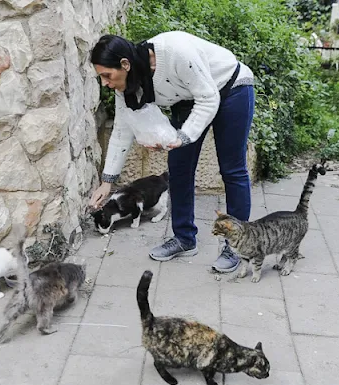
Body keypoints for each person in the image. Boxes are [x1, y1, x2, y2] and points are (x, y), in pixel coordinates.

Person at [88, 31, 255, 273]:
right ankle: (184, 239)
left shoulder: (176, 52)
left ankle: (237, 245)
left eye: (106, 75)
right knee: (178, 169)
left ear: (125, 64)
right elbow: (122, 130)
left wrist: (183, 137)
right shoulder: (128, 83)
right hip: (189, 99)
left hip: (231, 88)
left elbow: (208, 99)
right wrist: (107, 182)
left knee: (232, 169)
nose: (104, 82)